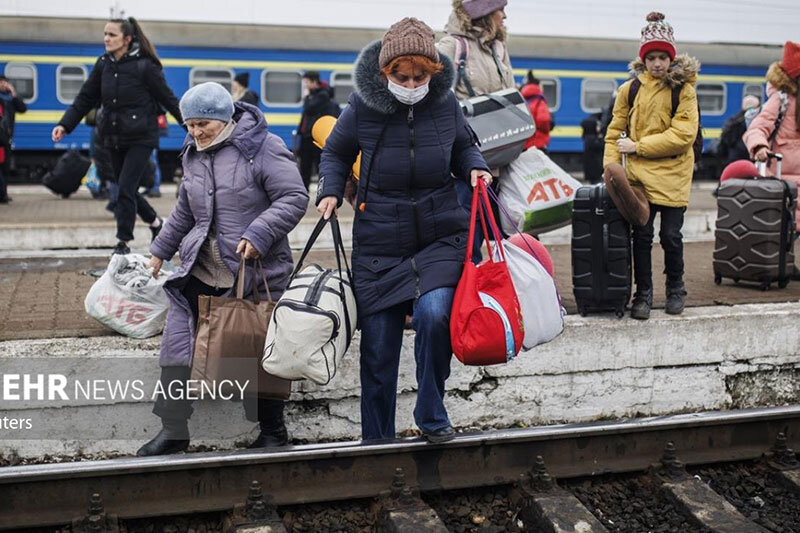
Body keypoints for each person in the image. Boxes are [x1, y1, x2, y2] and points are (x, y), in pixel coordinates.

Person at [317, 17, 491, 443]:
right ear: (385, 73)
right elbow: (336, 153)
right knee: (378, 351)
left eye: (419, 76)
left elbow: (465, 147)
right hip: (380, 240)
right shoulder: (362, 107)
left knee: (435, 315)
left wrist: (476, 169)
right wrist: (330, 191)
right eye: (402, 76)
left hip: (438, 234)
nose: (411, 83)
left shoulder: (446, 104)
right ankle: (377, 442)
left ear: (432, 73)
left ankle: (431, 411)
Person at [137, 82, 309, 456]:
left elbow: (294, 196)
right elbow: (185, 209)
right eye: (189, 125)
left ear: (224, 119)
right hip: (202, 269)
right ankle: (173, 429)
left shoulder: (263, 148)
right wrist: (159, 251)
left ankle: (273, 432)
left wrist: (259, 234)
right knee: (177, 344)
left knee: (259, 350)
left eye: (203, 125)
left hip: (255, 272)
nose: (195, 133)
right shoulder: (192, 153)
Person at [51, 17, 182, 256]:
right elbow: (85, 98)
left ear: (127, 39)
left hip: (141, 138)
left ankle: (123, 242)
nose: (106, 39)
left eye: (112, 35)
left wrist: (192, 127)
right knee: (126, 188)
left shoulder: (145, 66)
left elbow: (168, 99)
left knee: (124, 189)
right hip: (112, 137)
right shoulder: (103, 64)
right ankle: (156, 224)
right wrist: (64, 125)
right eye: (105, 34)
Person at [604, 12, 700, 320]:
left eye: (663, 57)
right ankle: (642, 294)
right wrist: (610, 171)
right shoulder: (629, 90)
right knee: (642, 237)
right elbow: (614, 131)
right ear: (643, 59)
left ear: (671, 59)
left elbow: (684, 135)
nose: (657, 63)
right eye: (652, 57)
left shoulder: (683, 90)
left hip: (674, 175)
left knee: (671, 236)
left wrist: (639, 147)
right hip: (639, 177)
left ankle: (676, 290)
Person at [743, 41, 800, 235]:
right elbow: (756, 128)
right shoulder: (781, 100)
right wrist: (759, 147)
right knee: (783, 235)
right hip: (782, 181)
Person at [436, 0, 514, 100]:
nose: (505, 16)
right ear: (485, 13)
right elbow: (436, 99)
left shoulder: (498, 47)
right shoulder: (452, 45)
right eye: (501, 10)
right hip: (463, 115)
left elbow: (511, 93)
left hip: (500, 116)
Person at [296, 71, 339, 190]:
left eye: (307, 82)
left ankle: (323, 190)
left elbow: (309, 109)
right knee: (305, 166)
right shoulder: (314, 95)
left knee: (318, 165)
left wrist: (307, 97)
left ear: (314, 82)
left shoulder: (322, 96)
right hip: (307, 136)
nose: (305, 86)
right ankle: (304, 190)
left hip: (315, 137)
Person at [0, 75, 27, 204]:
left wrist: (14, 93)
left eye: (6, 82)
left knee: (5, 169)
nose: (4, 84)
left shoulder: (10, 99)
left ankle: (3, 195)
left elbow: (22, 108)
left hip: (6, 140)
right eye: (2, 82)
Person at [717, 94, 761, 168]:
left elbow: (725, 140)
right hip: (751, 158)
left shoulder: (733, 121)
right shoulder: (758, 121)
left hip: (734, 158)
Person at [520, 70, 552, 151]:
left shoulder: (522, 100)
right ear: (537, 86)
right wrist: (546, 130)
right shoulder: (539, 101)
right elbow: (544, 120)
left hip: (523, 143)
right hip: (538, 143)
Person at [580, 111, 604, 184]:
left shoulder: (587, 138)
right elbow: (601, 146)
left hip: (592, 171)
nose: (598, 127)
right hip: (595, 171)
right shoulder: (592, 140)